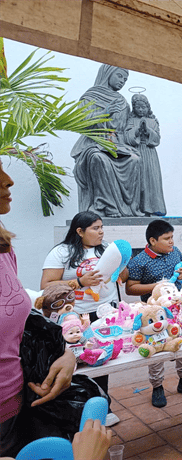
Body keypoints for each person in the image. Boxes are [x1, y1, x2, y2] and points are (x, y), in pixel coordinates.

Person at [0, 160, 76, 457]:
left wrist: (63, 353)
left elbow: (15, 320)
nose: (9, 181)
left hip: (19, 404)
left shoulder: (4, 250)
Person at [40, 211, 125, 427]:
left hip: (105, 313)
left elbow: (120, 276)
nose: (101, 231)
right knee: (79, 364)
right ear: (79, 231)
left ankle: (103, 406)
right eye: (95, 228)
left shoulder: (105, 249)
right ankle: (79, 409)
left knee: (100, 358)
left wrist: (120, 268)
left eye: (101, 227)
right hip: (75, 317)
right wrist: (79, 282)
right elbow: (46, 285)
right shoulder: (61, 252)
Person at [125, 220, 182, 407]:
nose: (171, 242)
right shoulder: (139, 261)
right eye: (167, 238)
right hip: (154, 314)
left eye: (172, 237)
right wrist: (158, 287)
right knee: (157, 349)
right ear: (153, 240)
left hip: (178, 310)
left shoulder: (174, 252)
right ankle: (157, 387)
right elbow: (130, 288)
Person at [70, 64, 143, 218]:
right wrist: (105, 112)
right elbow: (80, 123)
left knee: (135, 159)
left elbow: (123, 129)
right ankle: (105, 205)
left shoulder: (123, 102)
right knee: (99, 159)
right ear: (108, 73)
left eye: (125, 79)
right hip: (93, 143)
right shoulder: (90, 96)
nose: (122, 81)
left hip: (117, 145)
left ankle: (129, 208)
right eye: (119, 76)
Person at [125, 94, 167, 216]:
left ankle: (153, 208)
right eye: (138, 107)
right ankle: (138, 208)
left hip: (150, 153)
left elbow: (157, 139)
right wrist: (137, 129)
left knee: (151, 179)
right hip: (135, 152)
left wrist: (148, 130)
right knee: (139, 180)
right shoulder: (131, 120)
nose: (141, 110)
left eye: (143, 107)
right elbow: (127, 136)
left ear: (148, 107)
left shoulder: (153, 121)